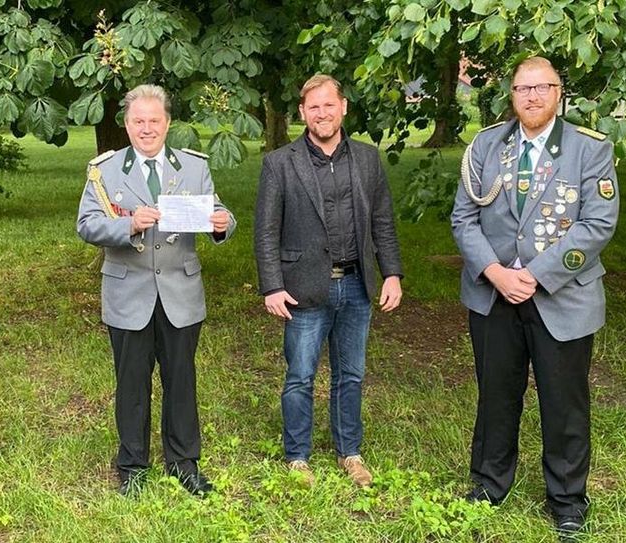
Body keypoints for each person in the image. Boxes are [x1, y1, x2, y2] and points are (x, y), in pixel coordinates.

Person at [451, 56, 619, 538]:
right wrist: (496, 272)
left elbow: (597, 224)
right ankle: (488, 483)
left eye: (542, 87)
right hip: (494, 296)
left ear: (558, 93)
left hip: (562, 298)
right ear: (512, 95)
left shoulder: (590, 149)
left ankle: (567, 498)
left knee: (564, 402)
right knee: (496, 395)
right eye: (523, 89)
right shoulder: (485, 146)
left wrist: (538, 275)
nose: (532, 96)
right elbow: (464, 219)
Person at [76, 84, 235, 497]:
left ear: (167, 123)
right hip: (128, 294)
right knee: (131, 383)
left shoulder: (193, 166)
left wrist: (223, 222)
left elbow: (219, 210)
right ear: (126, 124)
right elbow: (87, 224)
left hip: (180, 293)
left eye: (154, 120)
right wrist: (127, 224)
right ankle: (132, 465)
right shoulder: (105, 170)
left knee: (181, 380)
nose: (147, 128)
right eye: (138, 121)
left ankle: (184, 463)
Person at [254, 74, 403, 487]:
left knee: (350, 374)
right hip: (302, 287)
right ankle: (297, 457)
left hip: (357, 284)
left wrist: (392, 273)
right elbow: (266, 230)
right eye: (313, 107)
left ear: (343, 108)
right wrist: (271, 285)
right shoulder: (280, 163)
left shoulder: (368, 159)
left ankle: (349, 453)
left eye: (329, 105)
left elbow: (383, 222)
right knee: (300, 374)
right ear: (303, 113)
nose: (322, 113)